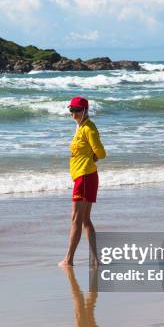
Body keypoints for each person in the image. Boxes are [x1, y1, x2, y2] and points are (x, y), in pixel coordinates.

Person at [59, 96, 106, 267]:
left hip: (85, 177)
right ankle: (95, 259)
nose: (73, 113)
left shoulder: (88, 128)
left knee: (76, 219)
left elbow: (101, 153)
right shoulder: (80, 127)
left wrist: (92, 157)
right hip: (83, 176)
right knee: (84, 219)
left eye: (76, 110)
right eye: (71, 110)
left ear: (84, 111)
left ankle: (69, 259)